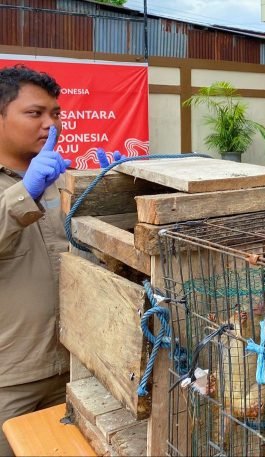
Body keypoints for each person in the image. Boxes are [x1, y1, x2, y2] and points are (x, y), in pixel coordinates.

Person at [0, 65, 72, 455]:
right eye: (35, 113)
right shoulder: (34, 183)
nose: (50, 124)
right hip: (9, 379)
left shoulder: (59, 180)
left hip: (72, 363)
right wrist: (24, 193)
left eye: (55, 113)